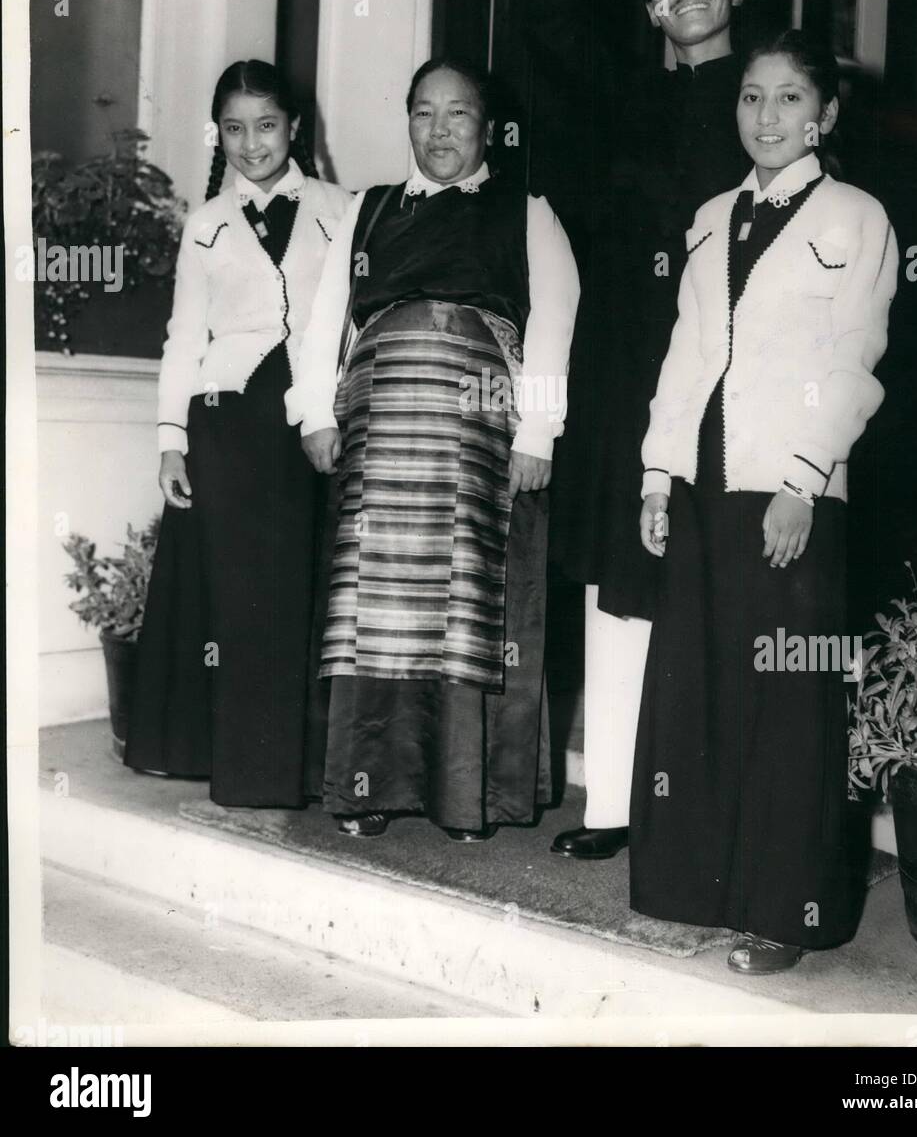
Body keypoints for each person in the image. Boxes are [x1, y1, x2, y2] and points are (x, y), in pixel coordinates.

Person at [633, 29, 898, 972]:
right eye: (751, 97)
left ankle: (783, 915)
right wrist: (658, 475)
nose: (767, 116)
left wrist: (801, 480)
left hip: (791, 491)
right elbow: (685, 356)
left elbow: (851, 358)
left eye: (789, 99)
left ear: (823, 115)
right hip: (707, 483)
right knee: (699, 690)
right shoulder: (709, 217)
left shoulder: (854, 217)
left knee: (783, 703)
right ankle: (695, 889)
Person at [526, 0, 749, 860]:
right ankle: (611, 804)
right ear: (651, 6)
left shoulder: (772, 108)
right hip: (623, 368)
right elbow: (549, 24)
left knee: (714, 584)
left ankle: (706, 806)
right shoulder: (628, 97)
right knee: (618, 577)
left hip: (729, 376)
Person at [287, 58, 579, 841]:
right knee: (372, 608)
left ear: (487, 128)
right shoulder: (366, 212)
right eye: (424, 113)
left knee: (465, 608)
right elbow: (324, 320)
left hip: (479, 436)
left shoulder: (528, 211)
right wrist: (314, 413)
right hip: (379, 426)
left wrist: (538, 433)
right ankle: (366, 788)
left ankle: (463, 796)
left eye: (457, 115)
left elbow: (553, 325)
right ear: (407, 120)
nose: (439, 130)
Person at [124, 60, 350, 807]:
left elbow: (350, 319)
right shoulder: (205, 225)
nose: (251, 144)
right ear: (217, 134)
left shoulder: (339, 209)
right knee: (239, 598)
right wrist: (170, 439)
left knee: (300, 593)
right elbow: (182, 336)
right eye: (234, 128)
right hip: (225, 422)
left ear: (295, 127)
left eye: (267, 125)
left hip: (307, 419)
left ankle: (300, 768)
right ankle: (240, 769)